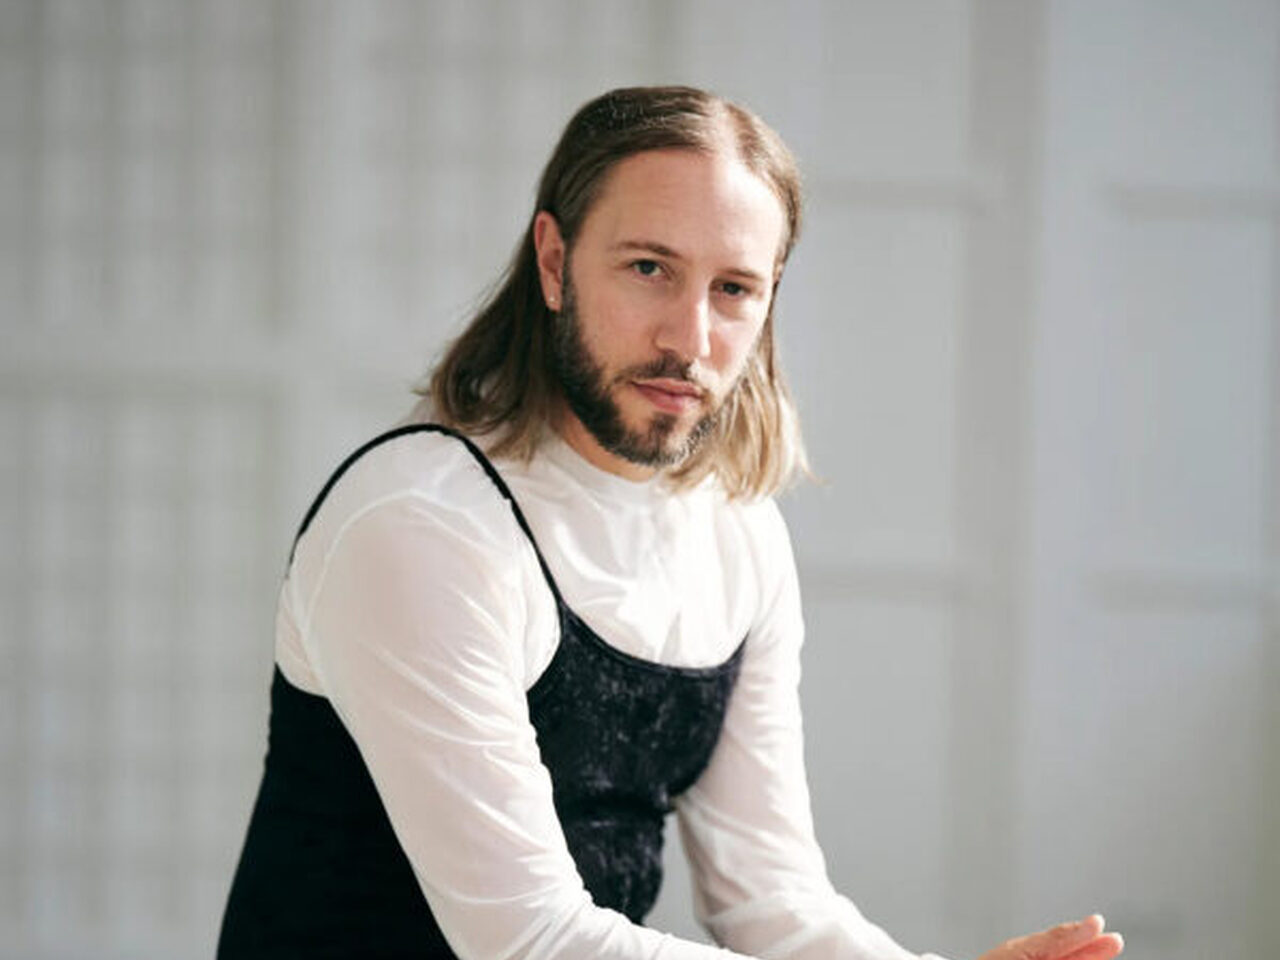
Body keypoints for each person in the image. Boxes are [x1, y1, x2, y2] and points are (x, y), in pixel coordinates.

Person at [218, 85, 1124, 960]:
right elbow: (531, 941)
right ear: (553, 263)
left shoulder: (737, 533)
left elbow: (771, 900)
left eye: (734, 289)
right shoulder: (423, 524)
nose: (689, 339)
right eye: (649, 268)